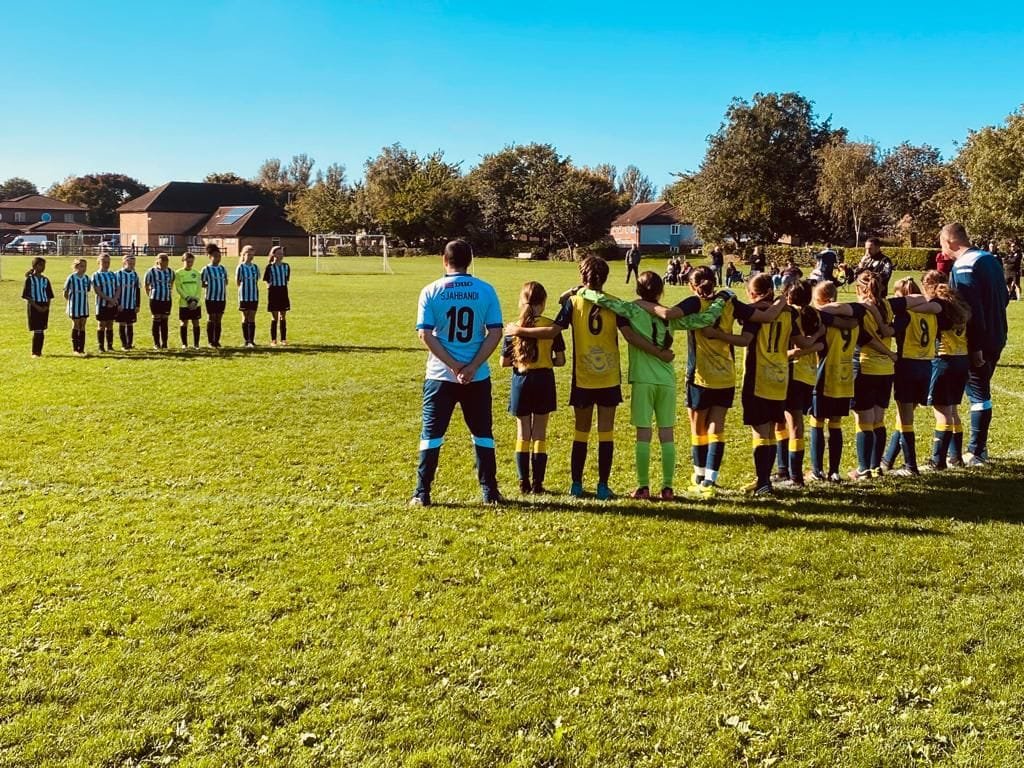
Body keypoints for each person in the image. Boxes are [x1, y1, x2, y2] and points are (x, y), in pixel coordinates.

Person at [635, 266, 785, 496]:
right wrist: (782, 299)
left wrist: (641, 303)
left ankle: (699, 476)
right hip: (725, 375)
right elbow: (766, 317)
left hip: (700, 375)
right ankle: (711, 480)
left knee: (698, 428)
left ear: (692, 286)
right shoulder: (729, 302)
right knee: (717, 428)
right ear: (715, 282)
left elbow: (667, 314)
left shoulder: (695, 303)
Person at [579, 272, 725, 501]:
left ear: (638, 290)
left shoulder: (633, 310)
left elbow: (605, 300)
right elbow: (704, 319)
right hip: (666, 379)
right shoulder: (669, 317)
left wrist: (581, 291)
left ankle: (643, 486)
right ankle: (667, 488)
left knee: (643, 434)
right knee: (667, 433)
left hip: (642, 379)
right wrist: (720, 301)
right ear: (660, 291)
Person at [505, 256, 621, 500]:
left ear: (582, 277)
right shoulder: (615, 304)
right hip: (609, 376)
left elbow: (553, 329)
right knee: (606, 433)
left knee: (581, 432)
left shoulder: (574, 302)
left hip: (584, 377)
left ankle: (576, 484)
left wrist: (519, 330)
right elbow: (631, 334)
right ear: (606, 278)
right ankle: (602, 485)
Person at [412, 239, 503, 507]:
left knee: (431, 434)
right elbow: (495, 332)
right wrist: (472, 366)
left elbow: (425, 334)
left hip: (440, 375)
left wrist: (453, 365)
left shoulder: (431, 290)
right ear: (470, 261)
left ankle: (422, 493)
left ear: (444, 260)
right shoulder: (485, 290)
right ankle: (490, 492)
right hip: (477, 376)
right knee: (482, 433)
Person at [704, 274, 809, 496]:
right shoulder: (790, 313)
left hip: (759, 377)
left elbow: (745, 341)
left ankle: (763, 483)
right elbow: (801, 343)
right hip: (781, 377)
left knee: (761, 432)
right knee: (770, 430)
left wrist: (719, 335)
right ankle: (764, 480)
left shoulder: (756, 314)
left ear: (752, 293)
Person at [941, 223, 1010, 466]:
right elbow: (1004, 298)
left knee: (978, 393)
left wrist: (975, 346)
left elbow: (970, 311)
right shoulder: (989, 259)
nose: (943, 250)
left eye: (942, 244)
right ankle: (973, 449)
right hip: (997, 334)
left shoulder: (964, 266)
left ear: (950, 241)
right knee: (978, 391)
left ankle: (975, 451)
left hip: (978, 340)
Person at [499, 282, 566, 495]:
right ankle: (538, 483)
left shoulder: (513, 328)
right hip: (544, 380)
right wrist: (547, 361)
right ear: (543, 303)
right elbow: (561, 360)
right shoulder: (550, 326)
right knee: (539, 433)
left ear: (522, 301)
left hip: (521, 380)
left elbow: (504, 362)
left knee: (522, 433)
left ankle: (523, 482)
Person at [878, 277, 943, 476]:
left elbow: (890, 330)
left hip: (907, 364)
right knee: (904, 417)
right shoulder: (933, 312)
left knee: (905, 419)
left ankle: (910, 466)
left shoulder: (905, 314)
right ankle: (887, 460)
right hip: (926, 366)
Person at [772, 279, 823, 488]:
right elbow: (814, 342)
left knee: (791, 424)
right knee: (786, 422)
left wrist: (796, 351)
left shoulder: (790, 313)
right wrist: (817, 341)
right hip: (809, 373)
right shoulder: (815, 313)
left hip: (791, 371)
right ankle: (784, 470)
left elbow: (796, 346)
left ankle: (794, 476)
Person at [922, 270, 972, 470]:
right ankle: (956, 457)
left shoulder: (938, 306)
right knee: (952, 409)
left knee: (941, 411)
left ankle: (938, 460)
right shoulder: (958, 303)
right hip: (961, 359)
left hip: (944, 359)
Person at [22, 257, 54, 357]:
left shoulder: (45, 280)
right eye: (40, 265)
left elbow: (49, 295)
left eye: (44, 265)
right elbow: (27, 295)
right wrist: (37, 307)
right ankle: (35, 352)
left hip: (44, 305)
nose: (43, 267)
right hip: (34, 306)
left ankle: (39, 351)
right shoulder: (30, 280)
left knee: (42, 329)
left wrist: (46, 306)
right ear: (35, 266)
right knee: (37, 330)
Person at [90, 253, 121, 353]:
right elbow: (98, 291)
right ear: (99, 262)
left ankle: (110, 346)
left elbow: (118, 288)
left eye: (108, 262)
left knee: (110, 324)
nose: (106, 264)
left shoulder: (112, 274)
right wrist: (109, 300)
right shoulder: (96, 275)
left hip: (112, 304)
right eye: (104, 262)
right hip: (101, 304)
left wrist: (114, 300)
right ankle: (101, 346)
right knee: (101, 324)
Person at [144, 253, 175, 350]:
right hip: (155, 299)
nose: (163, 265)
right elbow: (146, 285)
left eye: (165, 263)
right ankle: (156, 343)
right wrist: (150, 295)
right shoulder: (151, 271)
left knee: (165, 321)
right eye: (161, 263)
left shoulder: (170, 272)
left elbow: (171, 283)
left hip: (166, 299)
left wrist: (169, 292)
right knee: (156, 320)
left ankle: (165, 343)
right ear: (157, 261)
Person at [200, 243, 228, 348]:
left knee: (219, 318)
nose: (218, 258)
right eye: (215, 256)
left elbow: (226, 281)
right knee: (212, 317)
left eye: (219, 256)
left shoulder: (222, 269)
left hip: (221, 298)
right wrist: (209, 285)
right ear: (209, 257)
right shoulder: (206, 269)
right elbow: (202, 283)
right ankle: (211, 341)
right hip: (211, 298)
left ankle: (217, 340)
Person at [63, 258, 92, 356]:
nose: (84, 268)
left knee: (83, 325)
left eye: (85, 266)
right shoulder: (71, 277)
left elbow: (87, 290)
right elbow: (65, 292)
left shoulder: (87, 278)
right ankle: (75, 349)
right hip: (74, 306)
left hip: (84, 306)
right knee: (76, 324)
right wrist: (70, 302)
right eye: (81, 266)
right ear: (76, 267)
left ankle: (81, 349)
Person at [264, 245, 291, 345]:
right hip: (273, 292)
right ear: (273, 254)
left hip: (283, 291)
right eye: (279, 253)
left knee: (283, 316)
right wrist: (269, 286)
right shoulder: (269, 267)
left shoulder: (286, 266)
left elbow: (287, 279)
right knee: (274, 317)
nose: (281, 255)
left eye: (282, 253)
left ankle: (283, 339)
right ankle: (273, 339)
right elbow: (266, 279)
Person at [175, 252, 202, 349]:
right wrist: (188, 299)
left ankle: (196, 344)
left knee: (196, 322)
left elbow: (199, 288)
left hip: (196, 303)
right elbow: (178, 287)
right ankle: (184, 344)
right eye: (187, 261)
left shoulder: (197, 273)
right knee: (184, 323)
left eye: (191, 262)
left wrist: (195, 300)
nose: (189, 263)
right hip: (184, 303)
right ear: (183, 261)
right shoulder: (178, 273)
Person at [236, 245, 261, 348]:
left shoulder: (255, 267)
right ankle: (246, 340)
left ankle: (252, 340)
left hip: (254, 295)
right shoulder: (241, 267)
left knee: (252, 317)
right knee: (245, 317)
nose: (251, 257)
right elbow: (238, 282)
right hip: (244, 296)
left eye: (252, 254)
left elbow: (257, 280)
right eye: (249, 254)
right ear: (244, 254)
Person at [116, 254, 141, 350]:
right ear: (124, 263)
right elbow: (115, 290)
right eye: (129, 263)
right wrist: (117, 304)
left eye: (133, 263)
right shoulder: (118, 274)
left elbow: (137, 290)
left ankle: (129, 344)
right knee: (122, 323)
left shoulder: (135, 275)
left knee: (130, 324)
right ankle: (124, 345)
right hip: (122, 304)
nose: (131, 265)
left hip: (131, 304)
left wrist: (138, 305)